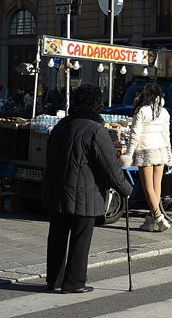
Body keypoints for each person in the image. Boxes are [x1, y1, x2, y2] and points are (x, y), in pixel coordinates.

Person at [43, 84, 132, 294]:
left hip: (57, 191)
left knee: (56, 236)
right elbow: (110, 167)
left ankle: (54, 280)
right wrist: (126, 189)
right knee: (80, 239)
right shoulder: (96, 130)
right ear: (96, 105)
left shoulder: (62, 125)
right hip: (85, 193)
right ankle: (74, 282)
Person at [120, 83, 172, 232]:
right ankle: (150, 221)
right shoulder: (164, 112)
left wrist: (129, 155)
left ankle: (158, 217)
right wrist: (169, 154)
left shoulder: (141, 110)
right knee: (157, 187)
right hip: (161, 150)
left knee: (148, 187)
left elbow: (135, 135)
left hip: (145, 151)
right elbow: (166, 135)